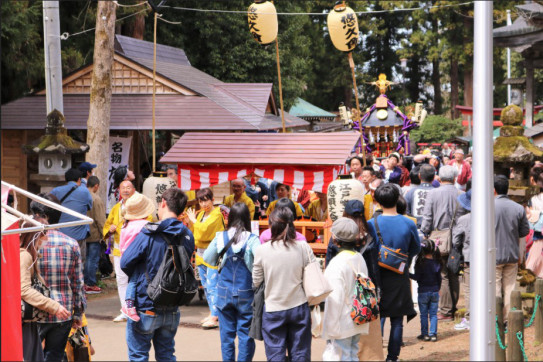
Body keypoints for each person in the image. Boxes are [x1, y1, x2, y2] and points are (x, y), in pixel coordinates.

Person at [121, 188, 195, 361]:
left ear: (163, 203)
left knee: (139, 355)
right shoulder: (187, 235)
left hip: (145, 303)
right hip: (172, 304)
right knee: (167, 355)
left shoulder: (150, 232)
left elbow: (125, 262)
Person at [366, 184, 421, 362]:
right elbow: (416, 248)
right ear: (397, 198)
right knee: (397, 319)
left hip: (377, 275)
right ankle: (392, 357)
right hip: (399, 274)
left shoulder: (371, 224)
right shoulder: (408, 222)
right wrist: (401, 260)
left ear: (378, 201)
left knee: (379, 315)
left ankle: (377, 354)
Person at [253, 207, 315, 361]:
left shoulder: (262, 250)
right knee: (300, 353)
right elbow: (313, 273)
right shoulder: (303, 247)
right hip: (299, 306)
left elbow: (256, 281)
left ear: (271, 226)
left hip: (273, 308)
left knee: (275, 354)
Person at [30, 194, 86, 362]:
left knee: (32, 356)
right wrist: (78, 315)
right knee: (54, 356)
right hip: (64, 311)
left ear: (40, 216)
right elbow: (78, 283)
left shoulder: (29, 242)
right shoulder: (71, 243)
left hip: (35, 311)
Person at [203, 203, 260, 361]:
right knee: (246, 336)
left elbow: (207, 258)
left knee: (226, 336)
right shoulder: (253, 239)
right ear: (248, 218)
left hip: (224, 292)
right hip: (246, 293)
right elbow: (261, 261)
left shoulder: (220, 237)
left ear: (231, 218)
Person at [20, 218, 71, 362]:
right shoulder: (25, 256)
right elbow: (23, 289)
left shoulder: (26, 254)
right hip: (24, 321)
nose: (46, 239)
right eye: (43, 235)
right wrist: (54, 306)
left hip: (27, 320)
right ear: (35, 236)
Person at [322, 217, 370, 361]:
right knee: (352, 355)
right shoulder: (359, 258)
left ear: (335, 239)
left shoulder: (336, 264)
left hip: (342, 322)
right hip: (358, 317)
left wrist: (330, 329)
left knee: (342, 356)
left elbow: (334, 299)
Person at [421, 165, 464, 320]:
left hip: (439, 237)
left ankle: (446, 310)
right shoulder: (461, 194)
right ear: (455, 178)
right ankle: (453, 307)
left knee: (443, 273)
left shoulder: (433, 194)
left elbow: (427, 217)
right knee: (454, 272)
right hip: (459, 238)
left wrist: (425, 233)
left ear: (439, 177)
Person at [103, 180, 151, 323]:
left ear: (134, 189)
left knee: (138, 278)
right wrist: (109, 229)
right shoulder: (116, 208)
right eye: (122, 187)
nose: (125, 190)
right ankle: (125, 309)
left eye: (128, 187)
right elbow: (107, 225)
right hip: (120, 249)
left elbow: (149, 221)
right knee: (122, 280)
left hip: (137, 249)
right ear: (119, 190)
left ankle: (139, 307)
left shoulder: (140, 206)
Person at [186, 187, 225, 329]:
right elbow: (195, 232)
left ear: (212, 200)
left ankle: (215, 315)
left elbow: (203, 231)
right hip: (200, 252)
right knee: (206, 286)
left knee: (213, 284)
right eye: (201, 201)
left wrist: (193, 221)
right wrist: (190, 221)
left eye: (206, 200)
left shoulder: (217, 214)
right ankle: (212, 312)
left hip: (213, 252)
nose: (203, 204)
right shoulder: (201, 214)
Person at [494, 175, 530, 321]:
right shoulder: (518, 208)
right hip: (511, 253)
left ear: (494, 189)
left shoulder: (487, 206)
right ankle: (509, 319)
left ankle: (495, 318)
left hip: (493, 254)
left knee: (494, 286)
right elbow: (525, 231)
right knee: (509, 287)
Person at [119, 193, 156, 321]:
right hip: (142, 257)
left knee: (132, 281)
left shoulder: (126, 225)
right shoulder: (146, 224)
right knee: (135, 280)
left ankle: (130, 304)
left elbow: (122, 244)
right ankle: (128, 305)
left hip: (128, 257)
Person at [50, 168, 93, 263]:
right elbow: (89, 206)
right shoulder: (85, 191)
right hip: (79, 234)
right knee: (79, 262)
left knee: (61, 261)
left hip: (60, 233)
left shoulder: (55, 191)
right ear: (79, 180)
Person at [410, 239, 442, 342]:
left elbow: (417, 277)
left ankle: (425, 334)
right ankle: (433, 334)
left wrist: (407, 274)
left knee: (423, 314)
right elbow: (439, 278)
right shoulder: (437, 262)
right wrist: (438, 288)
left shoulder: (420, 263)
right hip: (434, 291)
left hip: (423, 291)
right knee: (433, 314)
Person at [452, 189, 472, 331]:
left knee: (470, 290)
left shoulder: (464, 219)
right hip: (490, 258)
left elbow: (456, 240)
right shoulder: (491, 215)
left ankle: (471, 318)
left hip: (470, 258)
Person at [83, 176, 106, 294]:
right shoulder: (96, 199)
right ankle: (90, 283)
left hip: (82, 232)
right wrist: (105, 234)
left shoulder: (81, 196)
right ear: (96, 186)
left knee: (85, 259)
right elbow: (100, 219)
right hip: (94, 233)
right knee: (92, 259)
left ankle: (84, 282)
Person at [526, 165, 543, 278]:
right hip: (538, 235)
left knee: (532, 269)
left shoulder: (533, 199)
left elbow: (530, 216)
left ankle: (538, 296)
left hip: (538, 235)